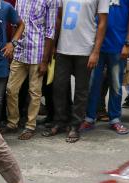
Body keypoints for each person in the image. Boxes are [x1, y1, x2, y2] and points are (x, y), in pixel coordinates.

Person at [45, 0, 108, 142]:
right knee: (59, 87)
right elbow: (59, 17)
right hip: (63, 48)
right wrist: (54, 44)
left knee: (81, 90)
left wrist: (96, 51)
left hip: (85, 49)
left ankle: (75, 126)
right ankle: (60, 121)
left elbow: (103, 23)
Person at [81, 0, 129, 134]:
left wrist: (128, 42)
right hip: (95, 44)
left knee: (116, 84)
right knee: (93, 83)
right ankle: (89, 118)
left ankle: (115, 119)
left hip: (118, 45)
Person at [2, 0, 58, 140]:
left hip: (37, 53)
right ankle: (12, 122)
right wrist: (12, 46)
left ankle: (30, 126)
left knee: (35, 92)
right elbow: (15, 23)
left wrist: (45, 61)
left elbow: (50, 31)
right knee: (11, 89)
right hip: (20, 51)